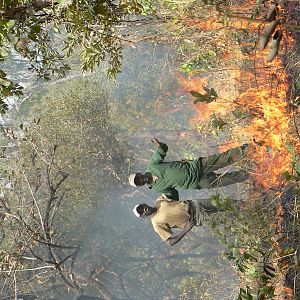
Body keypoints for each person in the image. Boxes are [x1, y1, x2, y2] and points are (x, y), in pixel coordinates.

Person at [128, 138, 249, 200]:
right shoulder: (156, 188)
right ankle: (250, 175)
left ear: (139, 174)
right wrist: (168, 201)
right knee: (225, 180)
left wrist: (160, 145)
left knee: (223, 159)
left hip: (196, 166)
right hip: (196, 183)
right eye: (138, 183)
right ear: (140, 186)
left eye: (138, 179)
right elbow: (173, 193)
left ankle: (248, 150)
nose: (140, 181)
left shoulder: (152, 165)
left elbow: (162, 150)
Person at [132, 196, 222, 246]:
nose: (144, 210)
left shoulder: (159, 201)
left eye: (142, 207)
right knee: (227, 217)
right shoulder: (156, 224)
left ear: (144, 204)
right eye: (141, 212)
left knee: (224, 202)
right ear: (143, 216)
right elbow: (169, 242)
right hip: (197, 217)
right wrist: (186, 229)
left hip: (195, 203)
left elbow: (171, 191)